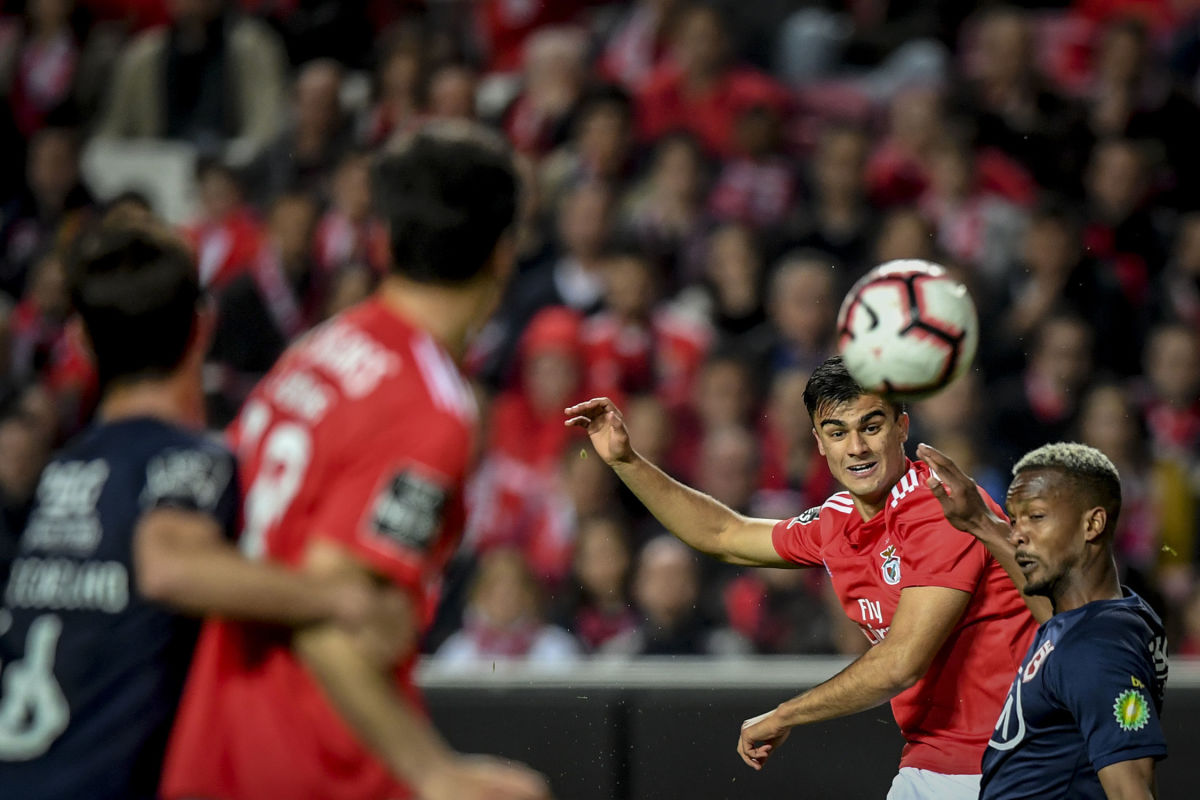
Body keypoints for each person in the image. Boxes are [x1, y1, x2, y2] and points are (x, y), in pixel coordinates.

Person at [161, 122, 552, 800]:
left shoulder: (318, 347)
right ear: (503, 253)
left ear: (384, 240)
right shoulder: (427, 408)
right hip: (320, 762)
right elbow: (333, 615)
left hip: (219, 744)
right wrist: (432, 771)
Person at [0, 221, 392, 800]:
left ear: (81, 343)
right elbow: (169, 565)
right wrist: (338, 598)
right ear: (204, 326)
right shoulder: (192, 461)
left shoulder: (65, 469)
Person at [565, 355, 1037, 799]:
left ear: (902, 428)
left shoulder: (938, 507)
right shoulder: (837, 521)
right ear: (818, 442)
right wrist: (626, 461)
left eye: (871, 427)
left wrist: (786, 714)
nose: (856, 448)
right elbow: (724, 533)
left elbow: (901, 662)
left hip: (1013, 760)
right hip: (935, 762)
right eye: (837, 432)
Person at [917, 441, 1167, 799]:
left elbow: (1132, 791)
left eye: (1035, 517)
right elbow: (1057, 624)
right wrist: (980, 522)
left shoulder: (1097, 650)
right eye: (1015, 519)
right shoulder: (1092, 621)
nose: (1017, 533)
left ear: (1093, 523)